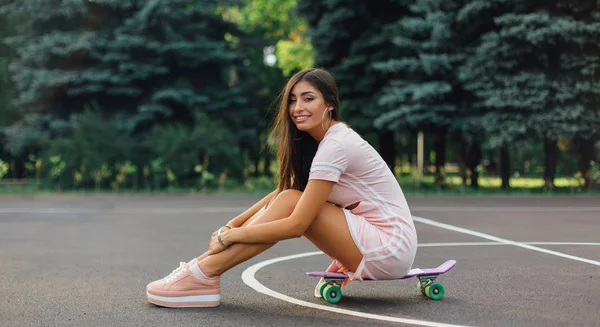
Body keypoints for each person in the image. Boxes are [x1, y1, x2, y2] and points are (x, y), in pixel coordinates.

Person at [146, 68, 418, 308]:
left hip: (390, 248)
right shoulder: (324, 142)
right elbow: (282, 192)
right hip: (376, 241)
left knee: (291, 203)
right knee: (289, 197)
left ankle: (204, 274)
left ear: (331, 104)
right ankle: (199, 270)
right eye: (292, 100)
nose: (297, 107)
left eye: (308, 98)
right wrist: (232, 224)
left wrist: (233, 236)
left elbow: (296, 224)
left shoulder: (336, 146)